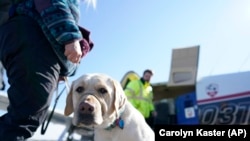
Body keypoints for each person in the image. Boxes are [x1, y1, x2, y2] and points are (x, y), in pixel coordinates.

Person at [0, 0, 95, 140]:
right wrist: (70, 36)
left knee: (28, 113)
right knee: (26, 114)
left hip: (28, 37)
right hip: (30, 32)